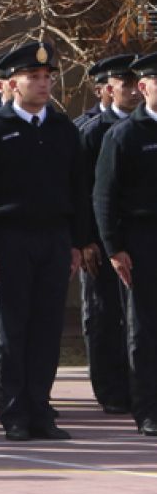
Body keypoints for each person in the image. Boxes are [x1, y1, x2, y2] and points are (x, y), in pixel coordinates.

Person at [0, 40, 86, 441]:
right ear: (11, 84)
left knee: (47, 328)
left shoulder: (63, 129)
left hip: (53, 237)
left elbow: (79, 190)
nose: (43, 84)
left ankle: (41, 407)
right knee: (12, 328)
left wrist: (77, 242)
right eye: (33, 77)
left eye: (47, 77)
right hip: (9, 238)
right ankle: (14, 411)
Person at [94, 51, 157, 437]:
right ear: (144, 87)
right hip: (142, 239)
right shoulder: (125, 135)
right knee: (145, 329)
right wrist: (114, 247)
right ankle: (148, 409)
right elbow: (104, 196)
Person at [75, 54, 138, 416]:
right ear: (108, 88)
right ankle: (111, 389)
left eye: (135, 83)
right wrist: (84, 239)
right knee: (104, 315)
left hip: (139, 234)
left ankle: (138, 384)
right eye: (124, 83)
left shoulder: (148, 126)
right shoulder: (93, 130)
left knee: (140, 317)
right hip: (100, 239)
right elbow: (82, 189)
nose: (131, 90)